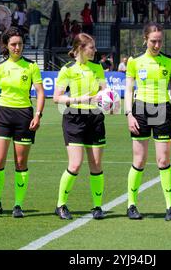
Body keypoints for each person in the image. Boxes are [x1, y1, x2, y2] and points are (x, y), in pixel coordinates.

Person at [0, 27, 45, 218]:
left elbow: (41, 93)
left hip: (24, 116)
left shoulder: (31, 66)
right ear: (6, 46)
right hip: (2, 115)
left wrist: (38, 115)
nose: (17, 47)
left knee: (20, 162)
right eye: (13, 44)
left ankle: (18, 205)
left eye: (20, 44)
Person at [124, 22, 171, 221]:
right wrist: (129, 114)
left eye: (159, 41)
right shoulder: (134, 61)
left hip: (162, 110)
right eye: (153, 41)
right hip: (140, 109)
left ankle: (170, 207)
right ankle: (131, 205)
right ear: (145, 40)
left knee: (163, 160)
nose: (157, 45)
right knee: (139, 160)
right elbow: (129, 90)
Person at [53, 33, 107, 220]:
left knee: (96, 164)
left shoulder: (98, 67)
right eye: (91, 47)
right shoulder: (67, 69)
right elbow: (57, 98)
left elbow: (104, 91)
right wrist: (78, 99)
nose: (95, 50)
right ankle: (60, 204)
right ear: (80, 49)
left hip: (95, 117)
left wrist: (110, 98)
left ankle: (97, 207)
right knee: (75, 164)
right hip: (73, 117)